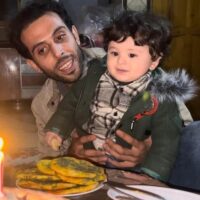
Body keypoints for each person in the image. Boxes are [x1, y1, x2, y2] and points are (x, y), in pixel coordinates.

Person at [44, 10, 197, 182]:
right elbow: (70, 104)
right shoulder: (94, 77)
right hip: (91, 160)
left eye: (132, 55)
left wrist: (151, 174)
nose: (121, 61)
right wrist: (56, 130)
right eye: (114, 53)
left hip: (132, 167)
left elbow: (166, 140)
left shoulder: (160, 96)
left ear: (154, 61)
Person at [8, 0, 152, 167]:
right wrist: (72, 155)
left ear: (75, 35)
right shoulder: (42, 105)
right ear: (33, 64)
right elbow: (50, 160)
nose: (58, 52)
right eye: (42, 50)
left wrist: (148, 148)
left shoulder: (124, 61)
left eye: (60, 37)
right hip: (101, 184)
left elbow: (180, 122)